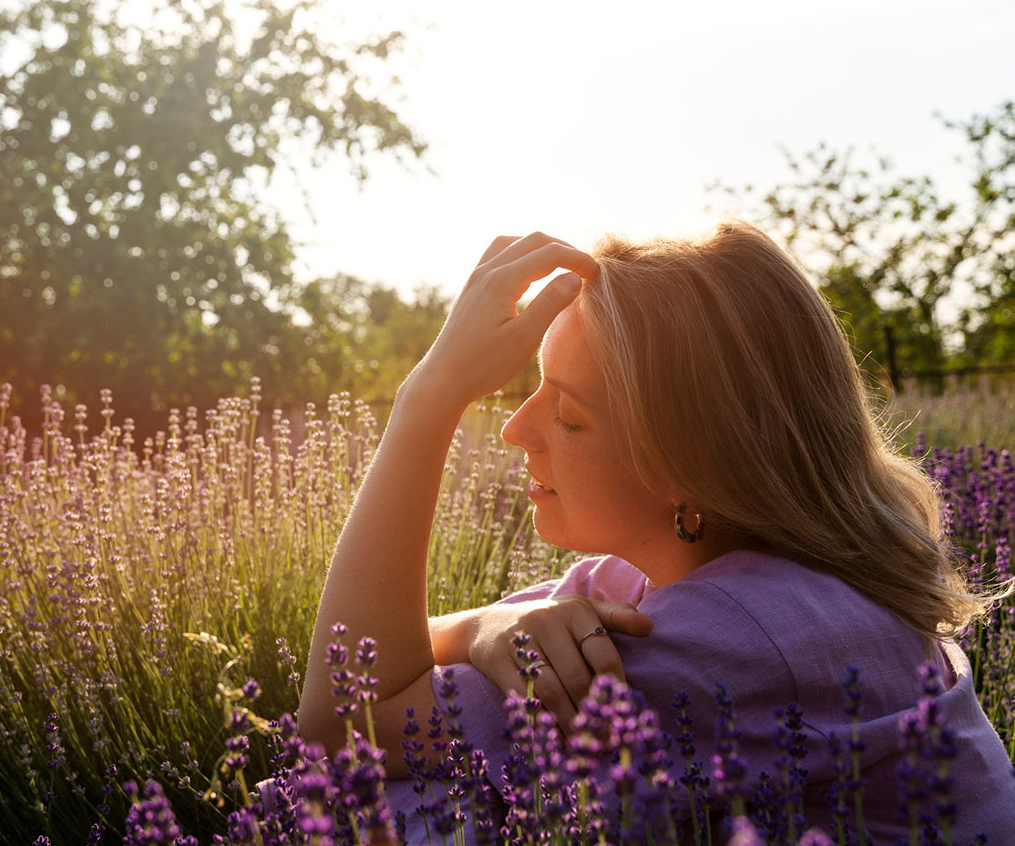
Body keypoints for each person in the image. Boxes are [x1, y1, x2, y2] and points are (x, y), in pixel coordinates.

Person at [296, 224, 1015, 842]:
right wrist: (484, 626)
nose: (515, 429)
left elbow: (341, 725)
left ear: (688, 465)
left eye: (569, 416)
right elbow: (385, 659)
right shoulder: (662, 578)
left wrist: (426, 401)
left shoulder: (744, 632)